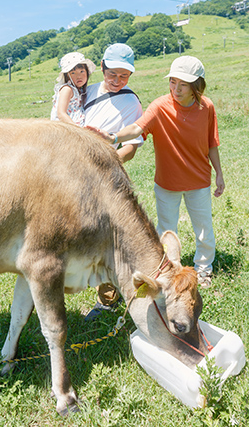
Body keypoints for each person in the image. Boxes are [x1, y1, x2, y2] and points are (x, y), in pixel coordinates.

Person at [102, 56, 224, 288]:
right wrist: (115, 137)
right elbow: (138, 127)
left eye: (183, 84)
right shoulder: (160, 106)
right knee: (166, 230)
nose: (176, 89)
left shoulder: (206, 107)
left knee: (203, 228)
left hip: (199, 180)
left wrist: (219, 173)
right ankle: (169, 270)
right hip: (167, 182)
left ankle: (204, 269)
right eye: (172, 82)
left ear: (196, 85)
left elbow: (212, 143)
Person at [82, 43, 144, 321]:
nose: (118, 81)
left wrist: (109, 164)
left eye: (124, 76)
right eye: (113, 75)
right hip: (75, 173)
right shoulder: (87, 91)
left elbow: (132, 146)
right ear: (103, 68)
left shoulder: (131, 102)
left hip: (107, 177)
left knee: (108, 235)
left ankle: (107, 298)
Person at [51, 52, 95, 126]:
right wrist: (76, 130)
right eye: (73, 73)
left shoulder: (80, 91)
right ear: (67, 76)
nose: (79, 76)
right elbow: (61, 113)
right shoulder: (67, 89)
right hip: (67, 129)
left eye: (82, 71)